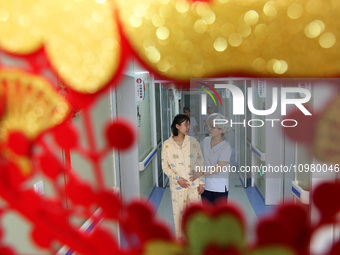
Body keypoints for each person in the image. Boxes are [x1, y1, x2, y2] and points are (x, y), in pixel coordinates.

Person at [161, 114, 205, 239]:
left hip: (194, 185)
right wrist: (177, 179)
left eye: (189, 124)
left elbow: (200, 162)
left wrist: (201, 181)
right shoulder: (167, 145)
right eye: (186, 124)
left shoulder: (193, 142)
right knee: (179, 218)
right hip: (178, 187)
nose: (188, 127)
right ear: (177, 126)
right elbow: (165, 167)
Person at [190, 113, 231, 204]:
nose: (209, 129)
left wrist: (200, 173)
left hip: (219, 186)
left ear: (221, 130)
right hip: (206, 184)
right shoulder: (206, 141)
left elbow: (218, 168)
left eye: (212, 127)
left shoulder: (225, 147)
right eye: (209, 126)